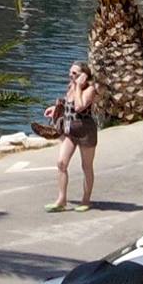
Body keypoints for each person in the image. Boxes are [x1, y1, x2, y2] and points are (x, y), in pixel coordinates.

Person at [44, 61, 98, 212]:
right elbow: (69, 106)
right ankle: (61, 200)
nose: (71, 75)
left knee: (86, 166)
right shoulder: (70, 86)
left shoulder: (90, 89)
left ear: (84, 75)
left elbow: (80, 106)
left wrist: (79, 87)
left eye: (75, 73)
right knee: (61, 163)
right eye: (70, 72)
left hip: (86, 131)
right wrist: (55, 109)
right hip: (70, 131)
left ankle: (86, 200)